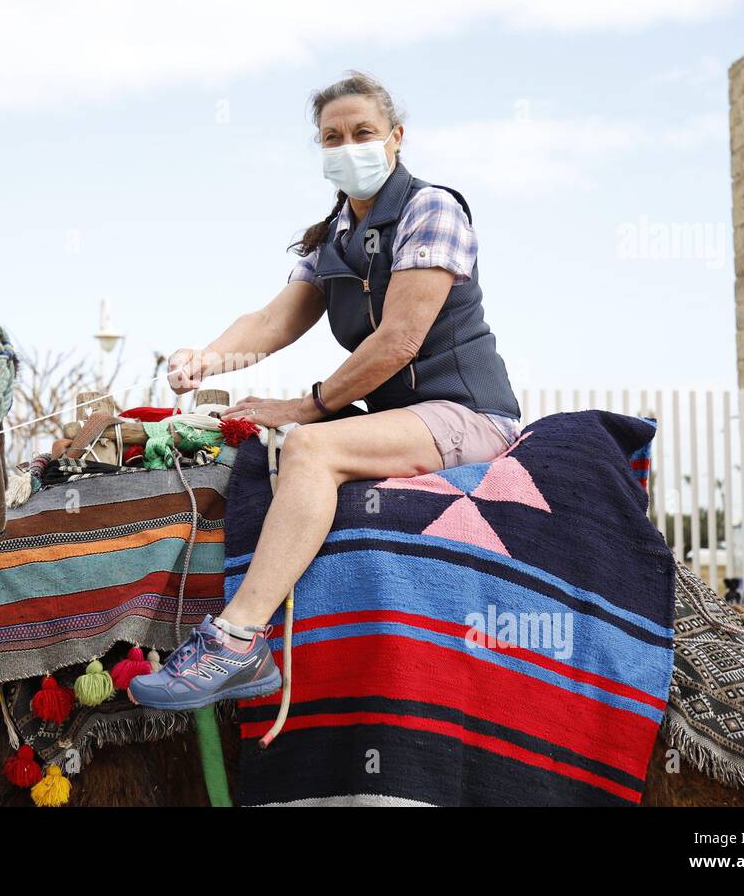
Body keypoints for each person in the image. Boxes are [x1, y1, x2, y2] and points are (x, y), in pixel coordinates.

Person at [130, 71, 521, 710]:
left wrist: (307, 407)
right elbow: (271, 322)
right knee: (262, 443)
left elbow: (399, 340)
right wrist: (206, 359)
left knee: (308, 448)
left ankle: (237, 642)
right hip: (396, 417)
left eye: (362, 132)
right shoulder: (332, 238)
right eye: (331, 137)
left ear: (396, 138)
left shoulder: (433, 209)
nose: (347, 146)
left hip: (466, 413)